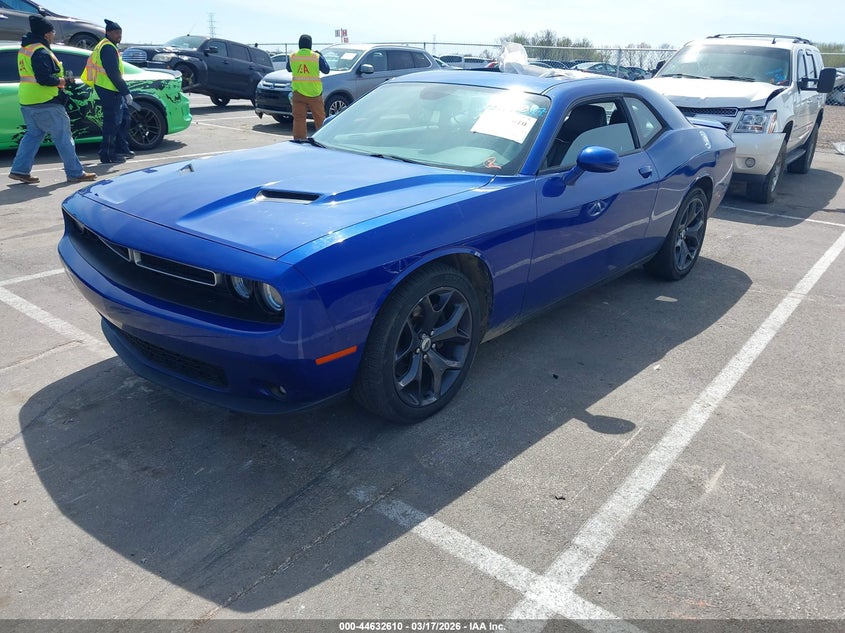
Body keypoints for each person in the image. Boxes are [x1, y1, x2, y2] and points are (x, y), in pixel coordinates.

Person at [8, 15, 96, 185]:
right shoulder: (40, 51)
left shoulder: (26, 49)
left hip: (28, 100)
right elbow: (44, 78)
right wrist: (64, 81)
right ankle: (75, 172)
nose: (54, 34)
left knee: (33, 135)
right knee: (63, 137)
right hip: (46, 101)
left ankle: (20, 170)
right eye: (53, 31)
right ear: (47, 34)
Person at [84, 19, 133, 163]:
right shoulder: (107, 48)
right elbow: (113, 72)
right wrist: (125, 91)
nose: (119, 35)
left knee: (124, 118)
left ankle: (121, 147)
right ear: (108, 33)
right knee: (112, 123)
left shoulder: (107, 45)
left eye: (121, 33)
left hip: (110, 88)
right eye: (116, 33)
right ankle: (108, 155)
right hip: (109, 89)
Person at [287, 34, 330, 140]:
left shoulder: (292, 56)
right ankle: (322, 139)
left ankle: (299, 140)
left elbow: (288, 68)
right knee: (320, 118)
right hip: (314, 93)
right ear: (310, 45)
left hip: (298, 92)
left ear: (299, 45)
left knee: (299, 119)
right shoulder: (316, 56)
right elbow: (326, 70)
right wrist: (321, 55)